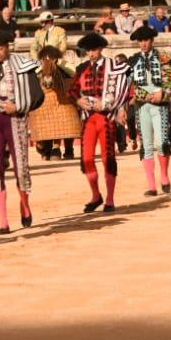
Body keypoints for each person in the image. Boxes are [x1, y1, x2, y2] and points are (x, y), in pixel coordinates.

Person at [0, 29, 44, 234]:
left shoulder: (22, 64)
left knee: (21, 166)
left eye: (0, 48)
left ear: (7, 47)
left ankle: (25, 205)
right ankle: (3, 221)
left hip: (16, 118)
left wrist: (18, 106)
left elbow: (37, 94)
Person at [69, 32, 132, 213]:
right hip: (89, 118)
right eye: (88, 51)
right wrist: (78, 101)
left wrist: (117, 107)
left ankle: (110, 199)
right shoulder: (82, 69)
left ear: (101, 49)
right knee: (87, 158)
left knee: (107, 158)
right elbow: (72, 91)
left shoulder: (115, 66)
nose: (91, 54)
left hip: (106, 117)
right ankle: (96, 195)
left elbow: (125, 87)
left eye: (94, 50)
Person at [126, 25, 171, 195]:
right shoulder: (133, 61)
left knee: (161, 143)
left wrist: (163, 94)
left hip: (160, 106)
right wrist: (124, 103)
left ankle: (164, 176)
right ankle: (151, 186)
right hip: (141, 106)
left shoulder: (165, 58)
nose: (143, 44)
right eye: (140, 41)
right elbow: (124, 85)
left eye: (146, 40)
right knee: (146, 145)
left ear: (151, 40)